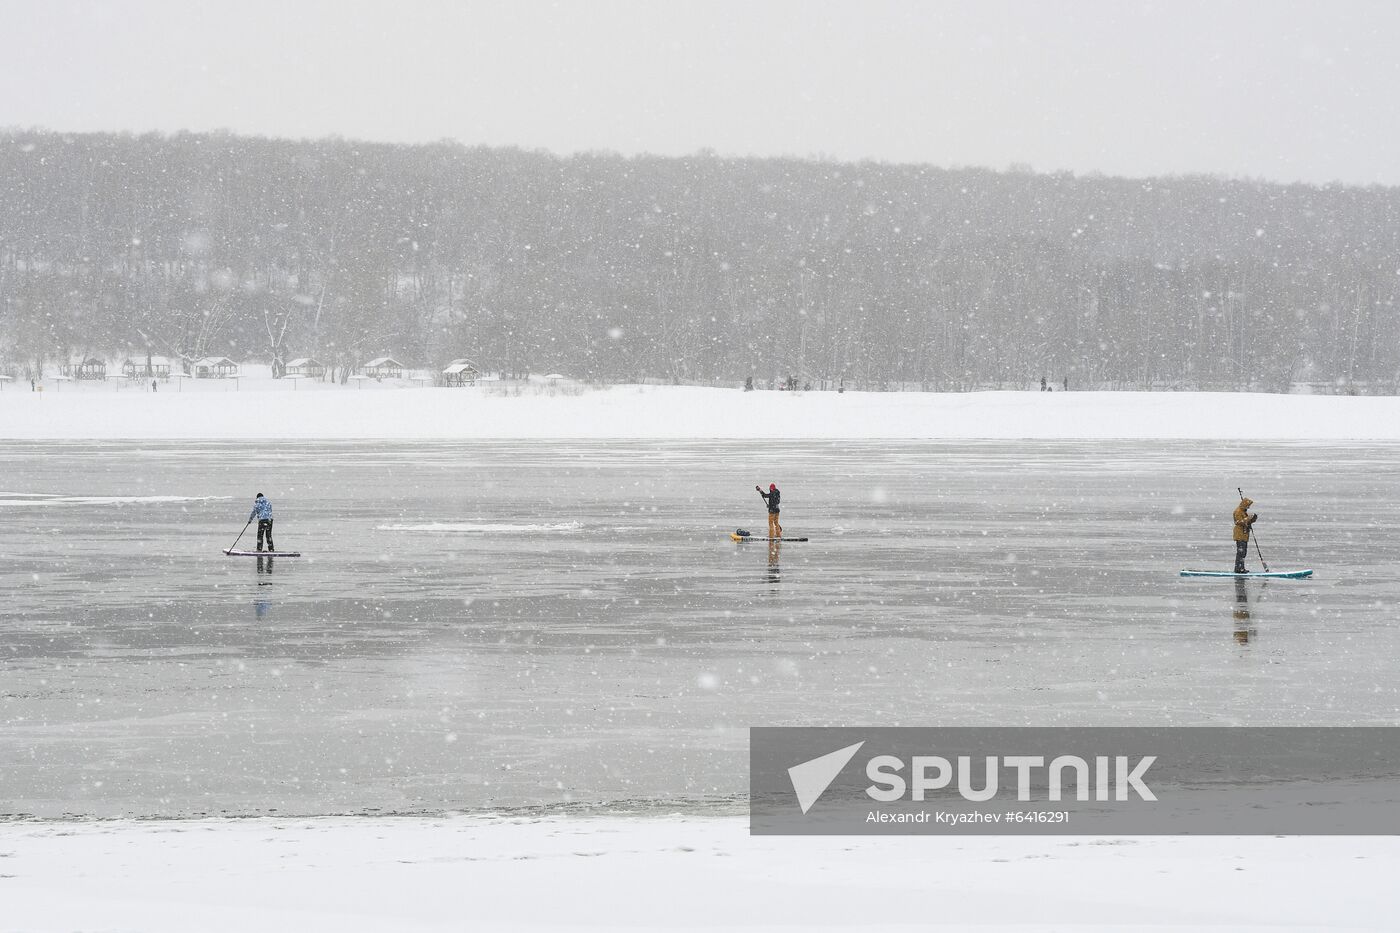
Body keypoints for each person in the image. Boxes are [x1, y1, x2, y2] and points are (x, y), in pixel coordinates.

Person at [1233, 496, 1257, 573]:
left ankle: (1241, 568)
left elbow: (1246, 522)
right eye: (1248, 505)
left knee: (1243, 553)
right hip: (1240, 535)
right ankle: (1238, 569)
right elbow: (1239, 522)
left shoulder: (1244, 512)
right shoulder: (1238, 511)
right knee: (1241, 552)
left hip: (1244, 535)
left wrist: (1252, 519)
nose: (1249, 507)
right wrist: (1248, 518)